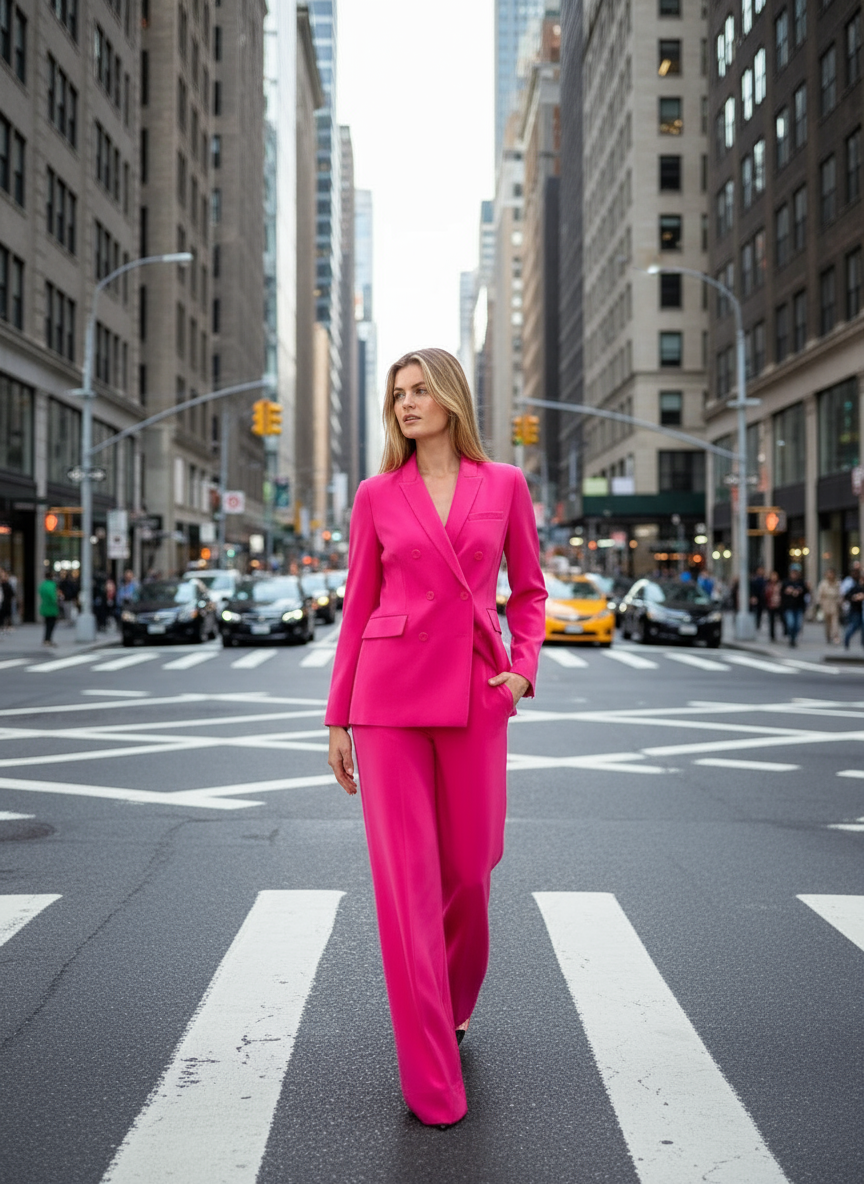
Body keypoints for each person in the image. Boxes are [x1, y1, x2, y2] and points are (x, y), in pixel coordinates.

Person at [325, 348, 546, 1128]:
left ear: (452, 399)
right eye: (398, 395)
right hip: (387, 700)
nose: (408, 405)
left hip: (477, 695)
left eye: (421, 392)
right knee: (405, 886)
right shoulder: (377, 494)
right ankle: (429, 1073)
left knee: (470, 872)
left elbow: (530, 589)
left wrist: (522, 670)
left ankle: (453, 1002)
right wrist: (337, 716)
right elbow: (357, 606)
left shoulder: (505, 486)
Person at [780, 563, 809, 647]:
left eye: (796, 573)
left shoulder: (801, 582)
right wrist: (788, 591)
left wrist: (800, 591)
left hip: (798, 606)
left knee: (797, 625)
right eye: (793, 572)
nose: (794, 574)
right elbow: (781, 593)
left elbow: (806, 592)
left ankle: (793, 638)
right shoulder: (786, 582)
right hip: (789, 607)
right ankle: (791, 638)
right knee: (791, 623)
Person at [816, 567, 841, 644]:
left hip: (834, 605)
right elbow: (820, 595)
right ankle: (828, 636)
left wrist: (840, 602)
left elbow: (840, 594)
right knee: (827, 623)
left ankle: (835, 636)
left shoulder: (837, 583)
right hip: (826, 605)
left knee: (835, 622)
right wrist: (819, 604)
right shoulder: (823, 584)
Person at [38, 570, 61, 647]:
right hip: (51, 608)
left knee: (47, 624)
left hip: (44, 607)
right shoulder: (52, 585)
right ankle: (48, 639)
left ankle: (46, 639)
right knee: (51, 624)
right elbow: (53, 597)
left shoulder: (43, 585)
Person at [844, 569, 864, 648]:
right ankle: (846, 639)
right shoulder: (856, 587)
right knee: (854, 626)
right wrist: (855, 597)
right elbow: (847, 595)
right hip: (856, 611)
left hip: (859, 611)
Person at [765, 570, 784, 641]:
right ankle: (772, 635)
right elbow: (765, 594)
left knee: (783, 618)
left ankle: (785, 631)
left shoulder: (780, 584)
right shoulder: (768, 584)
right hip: (770, 604)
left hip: (779, 604)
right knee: (771, 620)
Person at [749, 565, 767, 631]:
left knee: (760, 612)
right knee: (755, 611)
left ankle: (758, 624)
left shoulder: (765, 580)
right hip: (756, 597)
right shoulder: (754, 579)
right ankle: (755, 624)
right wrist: (753, 596)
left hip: (762, 598)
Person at [0, 568, 14, 634]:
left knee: (5, 614)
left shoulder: (6, 584)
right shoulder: (4, 585)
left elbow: (12, 593)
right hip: (4, 602)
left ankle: (5, 626)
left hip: (5, 602)